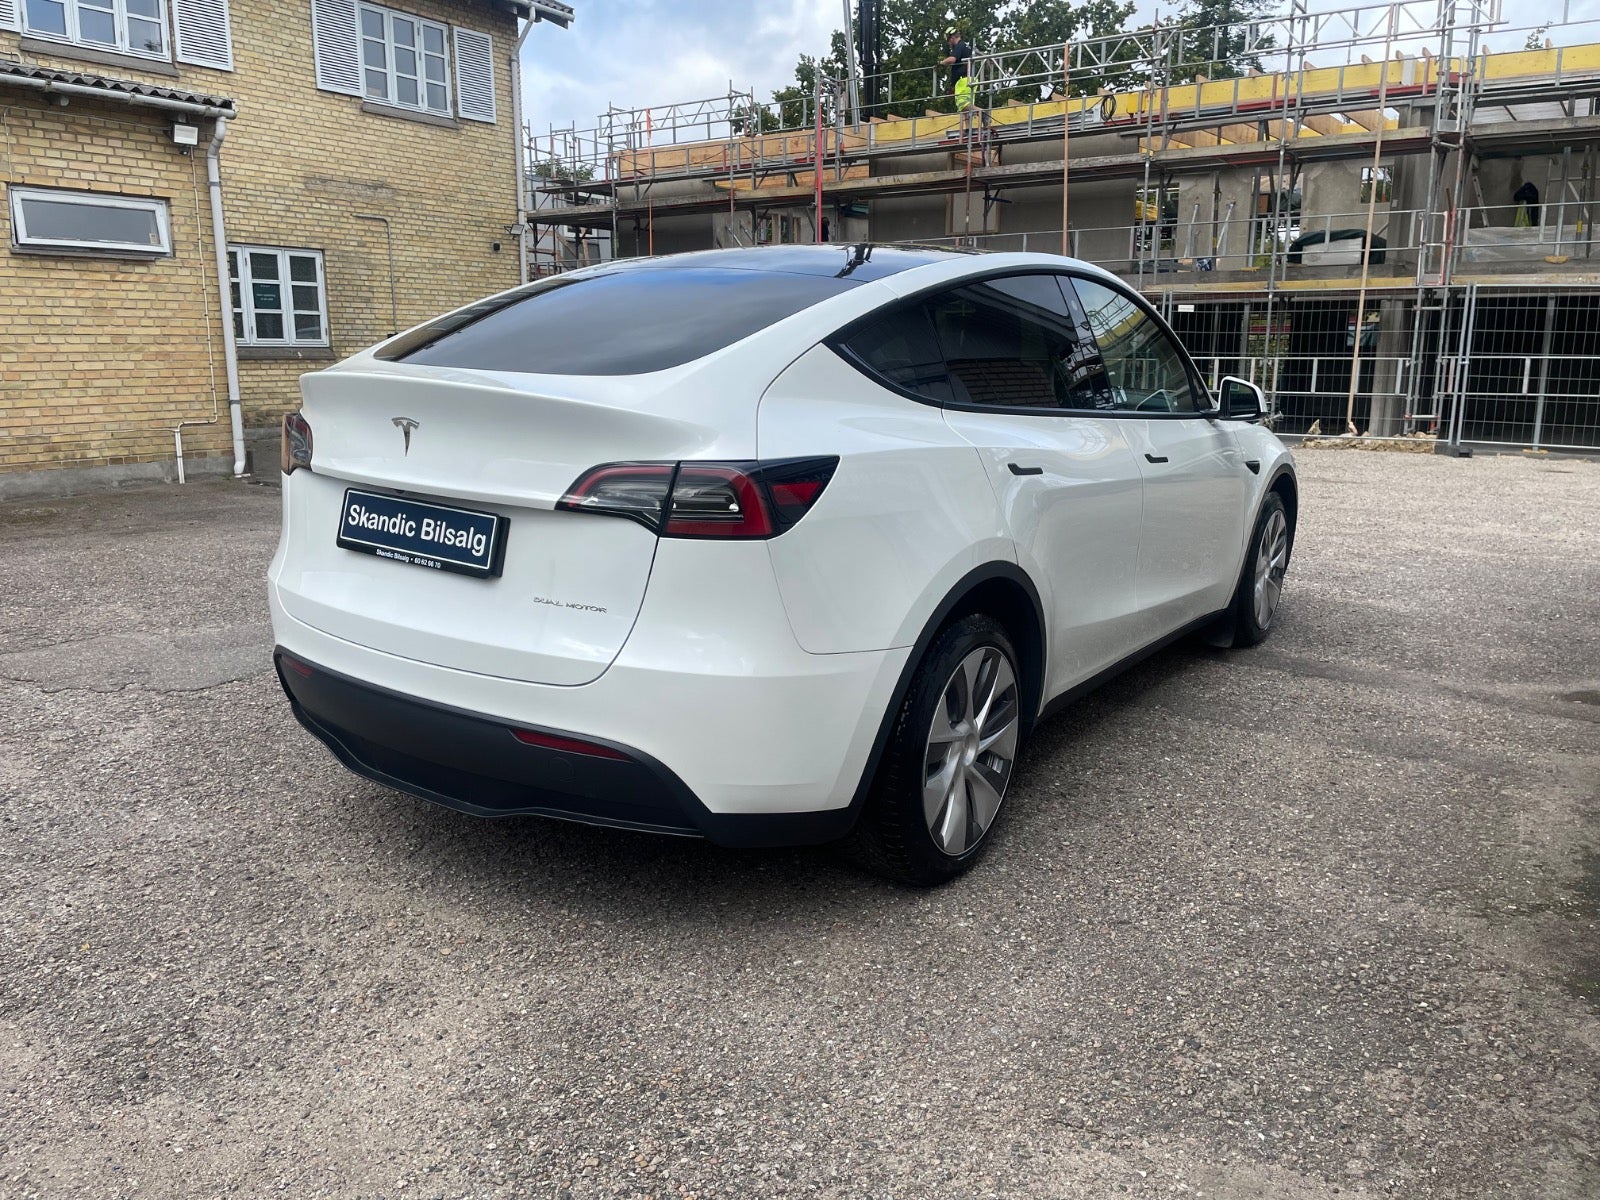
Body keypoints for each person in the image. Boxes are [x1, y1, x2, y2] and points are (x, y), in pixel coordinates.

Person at [940, 26, 971, 98]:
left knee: (963, 105)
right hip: (967, 79)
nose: (949, 43)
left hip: (963, 80)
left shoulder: (960, 46)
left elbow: (952, 59)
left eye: (949, 40)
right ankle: (979, 109)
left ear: (952, 38)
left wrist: (942, 63)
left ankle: (981, 110)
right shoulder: (966, 46)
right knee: (964, 105)